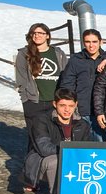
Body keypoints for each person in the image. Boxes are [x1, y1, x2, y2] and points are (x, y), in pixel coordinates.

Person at [23, 88, 92, 194]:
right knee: (56, 161)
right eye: (62, 105)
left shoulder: (83, 124)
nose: (67, 110)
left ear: (76, 105)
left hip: (72, 163)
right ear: (55, 104)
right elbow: (43, 148)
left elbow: (90, 148)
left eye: (71, 106)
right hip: (42, 163)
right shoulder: (41, 120)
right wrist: (68, 149)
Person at [16, 23, 68, 157]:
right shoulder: (24, 54)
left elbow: (66, 75)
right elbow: (21, 80)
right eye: (34, 33)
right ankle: (32, 170)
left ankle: (53, 168)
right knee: (35, 139)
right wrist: (26, 100)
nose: (37, 35)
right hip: (34, 102)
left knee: (56, 136)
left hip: (55, 103)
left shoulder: (58, 53)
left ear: (48, 36)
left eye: (41, 33)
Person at [59, 29, 106, 140]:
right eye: (87, 42)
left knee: (101, 144)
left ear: (100, 42)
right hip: (82, 110)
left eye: (94, 42)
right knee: (81, 144)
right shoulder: (76, 60)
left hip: (101, 111)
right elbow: (67, 84)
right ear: (83, 43)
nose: (91, 45)